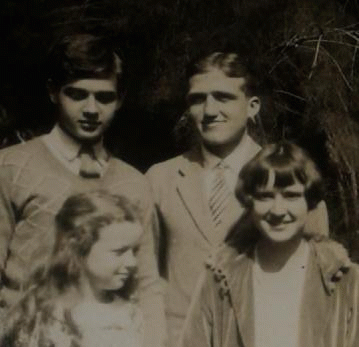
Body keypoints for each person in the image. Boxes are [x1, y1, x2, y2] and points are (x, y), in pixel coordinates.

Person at [146, 51, 330, 344]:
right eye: (198, 99)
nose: (209, 110)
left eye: (223, 97)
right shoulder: (160, 179)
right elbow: (142, 279)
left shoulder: (293, 177)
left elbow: (318, 286)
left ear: (252, 106)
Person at [0, 33, 166, 347]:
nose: (91, 109)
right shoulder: (10, 168)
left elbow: (146, 285)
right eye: (77, 95)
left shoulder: (134, 183)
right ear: (53, 92)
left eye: (104, 97)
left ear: (121, 98)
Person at [180, 142, 358, 347]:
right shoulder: (220, 278)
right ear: (250, 202)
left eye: (291, 196)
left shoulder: (346, 281)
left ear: (309, 201)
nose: (278, 210)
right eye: (265, 196)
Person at [1, 190, 146, 347]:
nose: (132, 262)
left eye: (134, 251)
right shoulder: (47, 317)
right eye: (119, 251)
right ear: (79, 247)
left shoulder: (129, 315)